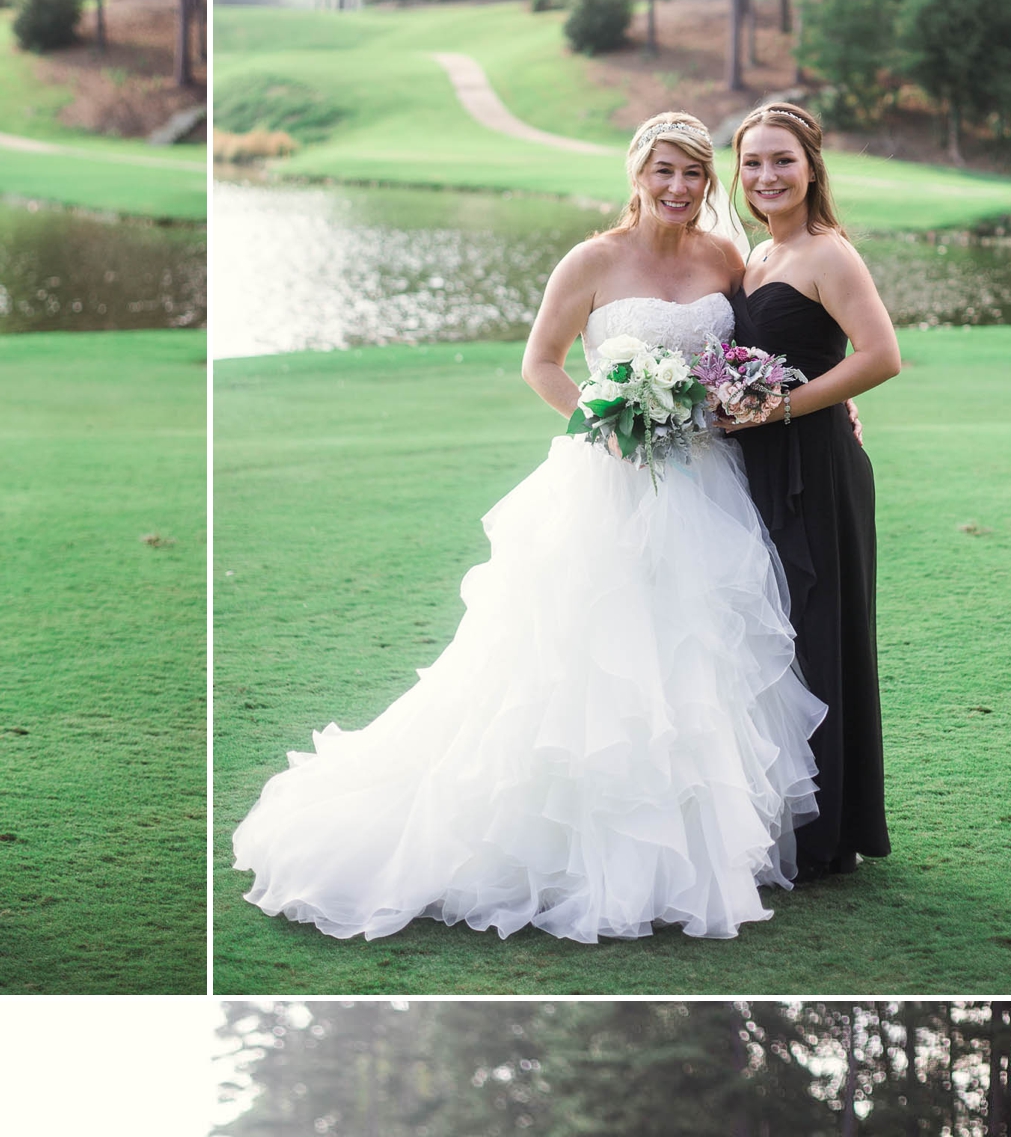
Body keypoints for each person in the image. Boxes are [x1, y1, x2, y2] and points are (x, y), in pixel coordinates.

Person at [232, 110, 823, 949]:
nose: (680, 188)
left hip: (706, 484)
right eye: (665, 171)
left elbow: (751, 358)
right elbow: (541, 362)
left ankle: (694, 855)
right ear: (636, 173)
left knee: (698, 660)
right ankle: (565, 847)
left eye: (694, 173)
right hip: (609, 480)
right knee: (590, 661)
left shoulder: (727, 260)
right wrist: (609, 417)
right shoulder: (592, 259)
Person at [724, 99, 898, 876]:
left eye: (782, 160)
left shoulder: (829, 252)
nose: (767, 175)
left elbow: (882, 354)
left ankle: (831, 834)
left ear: (811, 167)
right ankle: (781, 818)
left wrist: (790, 403)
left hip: (819, 466)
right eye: (753, 162)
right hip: (757, 466)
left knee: (822, 632)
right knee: (774, 638)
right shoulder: (754, 257)